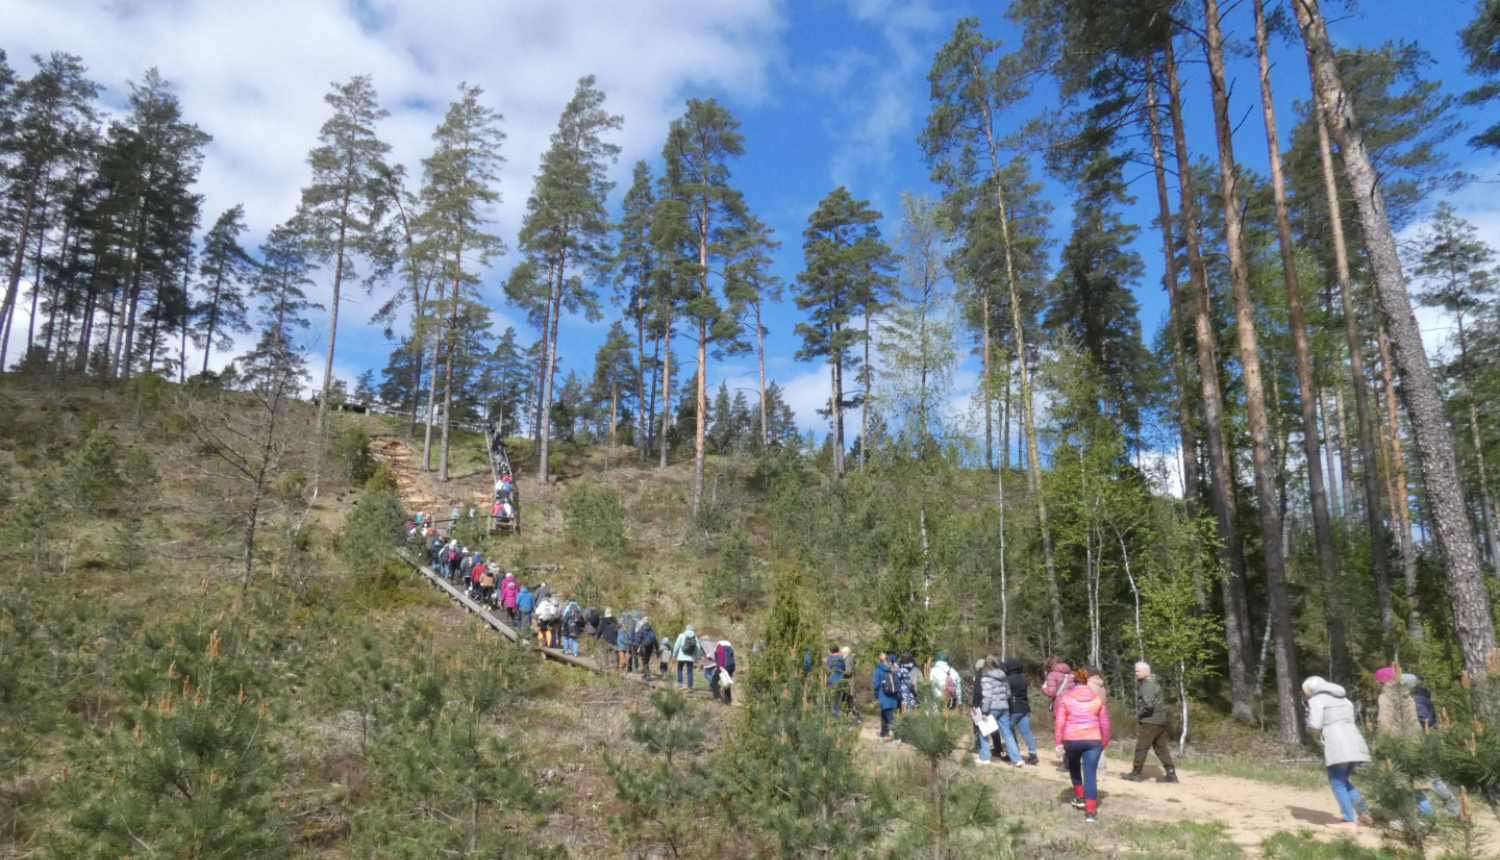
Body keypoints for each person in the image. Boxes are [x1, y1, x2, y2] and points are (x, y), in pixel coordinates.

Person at [1304, 675, 1371, 831]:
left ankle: (1348, 820)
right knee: (1344, 780)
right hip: (1355, 740)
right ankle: (1364, 813)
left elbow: (1315, 724)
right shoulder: (1344, 699)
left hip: (1338, 743)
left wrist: (1308, 716)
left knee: (1336, 782)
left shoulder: (1317, 700)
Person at [1054, 667, 1111, 823]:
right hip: (1093, 740)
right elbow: (1105, 723)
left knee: (1073, 767)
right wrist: (1104, 741)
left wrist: (1058, 743)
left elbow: (1060, 723)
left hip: (1071, 739)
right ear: (1086, 682)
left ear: (1074, 682)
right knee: (1090, 774)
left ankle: (1079, 797)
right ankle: (1090, 812)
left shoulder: (1066, 699)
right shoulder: (1096, 699)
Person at [1403, 673, 1461, 817]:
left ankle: (1457, 811)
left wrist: (1420, 739)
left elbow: (1425, 722)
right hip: (1423, 742)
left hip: (1424, 743)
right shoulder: (1419, 699)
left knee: (1434, 779)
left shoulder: (1416, 701)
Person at [1122, 661, 1176, 783]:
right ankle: (1171, 774)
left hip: (1150, 720)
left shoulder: (1147, 685)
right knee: (1161, 748)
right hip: (1159, 720)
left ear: (1147, 671)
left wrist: (1139, 714)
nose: (1136, 673)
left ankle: (1136, 773)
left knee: (1142, 747)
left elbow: (1148, 705)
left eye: (1138, 671)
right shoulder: (1154, 683)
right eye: (1135, 671)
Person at [979, 655, 1019, 767]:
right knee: (1007, 733)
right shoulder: (1003, 676)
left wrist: (985, 712)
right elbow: (1008, 694)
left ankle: (985, 757)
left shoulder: (986, 678)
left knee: (983, 731)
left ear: (986, 665)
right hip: (1004, 707)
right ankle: (1016, 759)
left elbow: (987, 697)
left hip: (992, 707)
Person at [1002, 658, 1039, 765]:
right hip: (1025, 708)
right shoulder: (1024, 679)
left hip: (1014, 709)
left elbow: (1006, 695)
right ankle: (1033, 754)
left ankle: (1013, 753)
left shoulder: (1008, 679)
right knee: (1026, 731)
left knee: (1007, 730)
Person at [873, 653, 901, 742]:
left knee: (890, 718)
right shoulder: (892, 669)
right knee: (883, 716)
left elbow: (876, 685)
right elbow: (898, 682)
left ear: (879, 660)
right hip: (893, 696)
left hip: (884, 696)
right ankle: (881, 735)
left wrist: (877, 695)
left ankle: (897, 737)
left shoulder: (878, 671)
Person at [825, 647, 847, 716]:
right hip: (840, 680)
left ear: (831, 651)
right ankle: (836, 714)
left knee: (832, 699)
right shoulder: (843, 658)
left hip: (831, 680)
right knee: (837, 699)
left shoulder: (830, 659)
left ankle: (834, 716)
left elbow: (827, 670)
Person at [714, 641, 736, 706]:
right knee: (727, 685)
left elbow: (721, 656)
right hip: (731, 666)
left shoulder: (720, 646)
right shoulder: (730, 648)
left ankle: (717, 697)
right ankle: (728, 701)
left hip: (724, 666)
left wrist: (720, 666)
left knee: (714, 680)